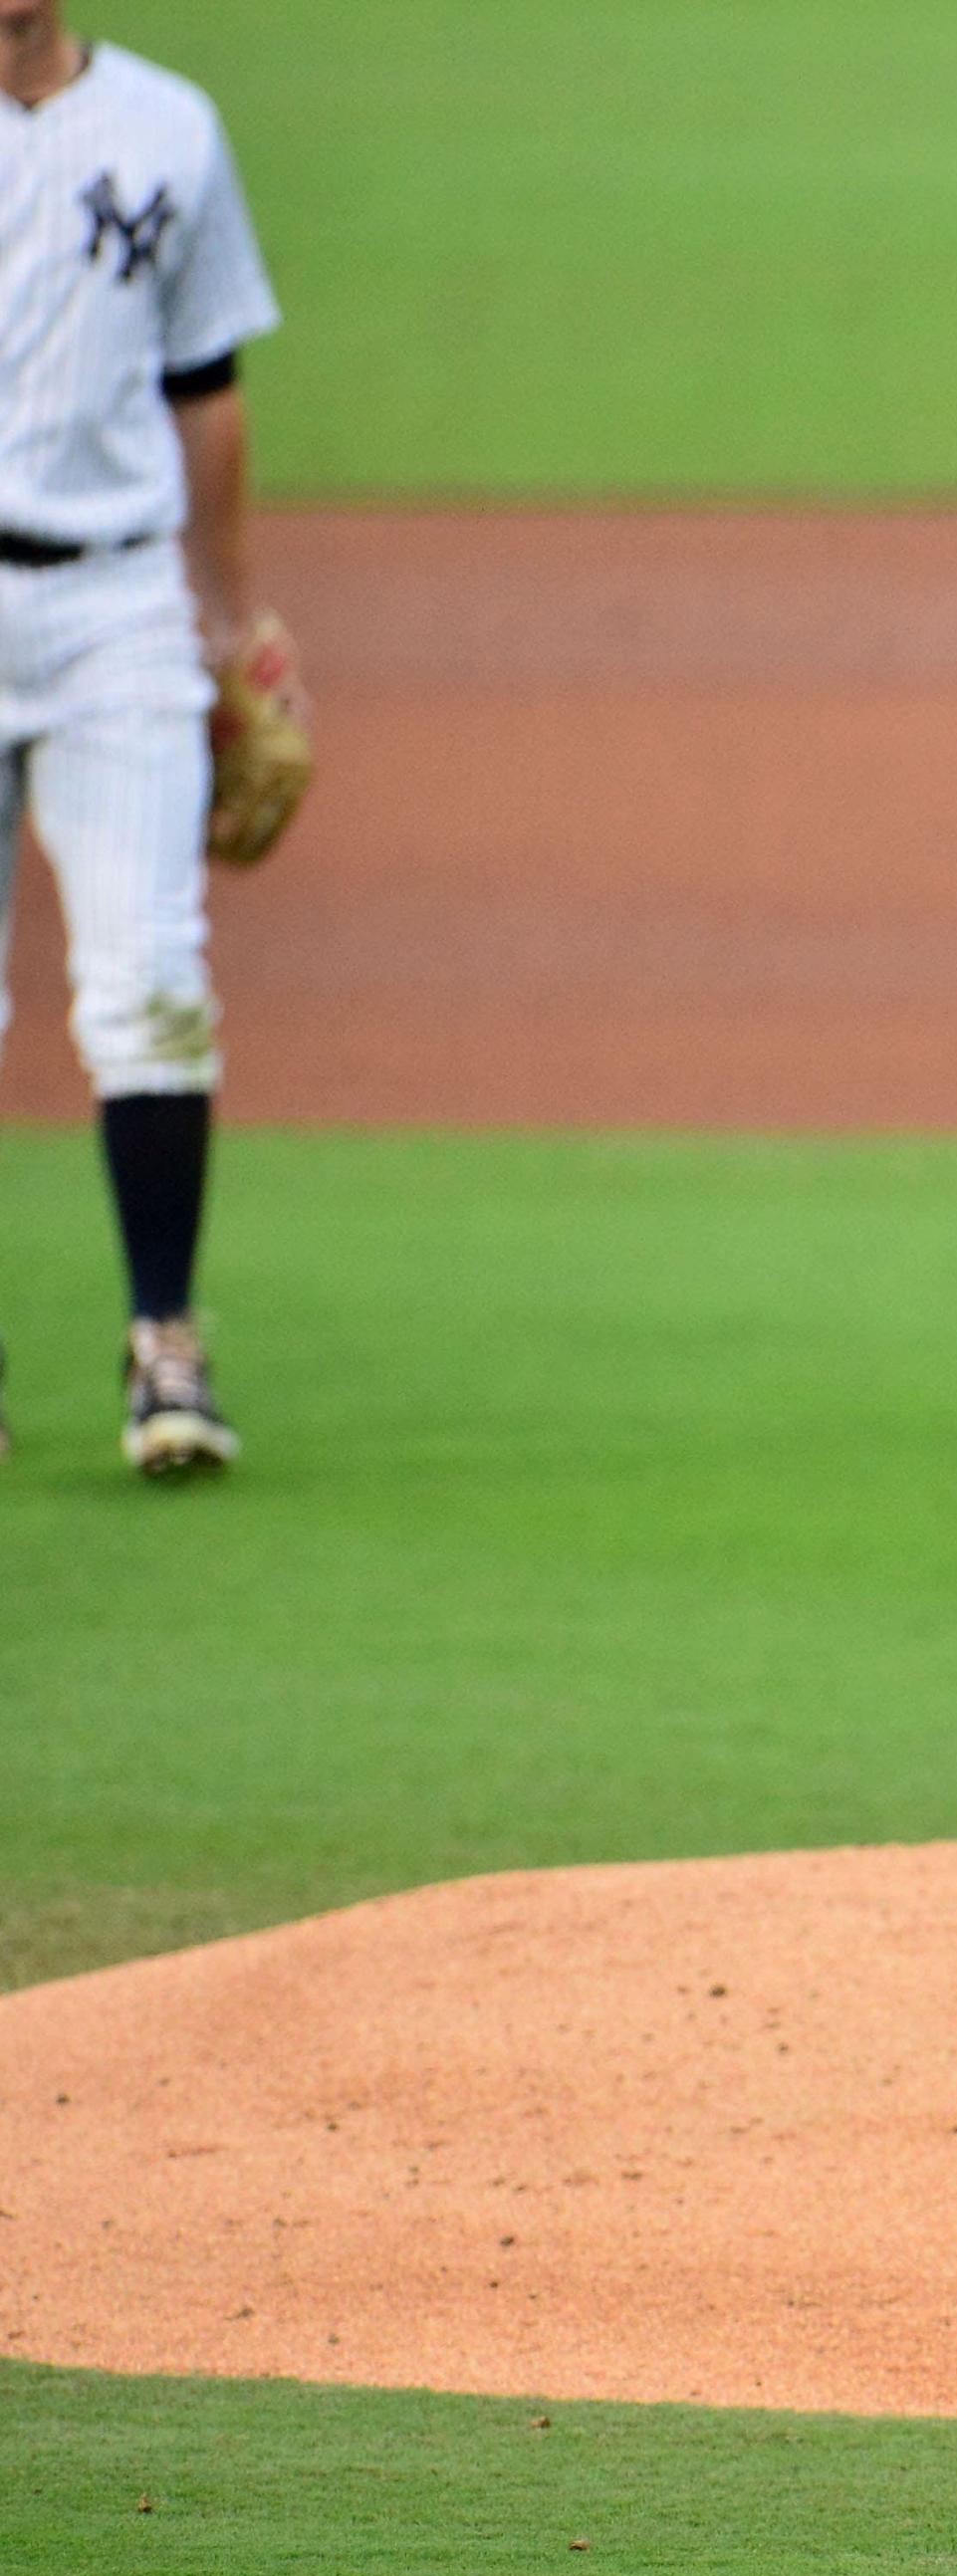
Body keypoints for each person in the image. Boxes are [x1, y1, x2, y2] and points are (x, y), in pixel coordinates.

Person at [0, 0, 292, 1475]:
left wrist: (235, 623)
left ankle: (164, 1341)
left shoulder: (170, 128)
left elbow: (209, 388)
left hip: (117, 600)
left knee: (153, 979)